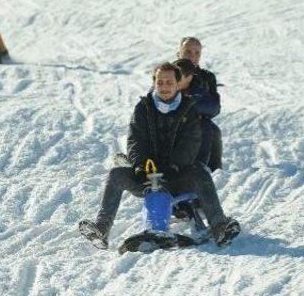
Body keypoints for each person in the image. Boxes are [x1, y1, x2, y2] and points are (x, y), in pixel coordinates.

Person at [79, 62, 240, 249]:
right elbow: (135, 139)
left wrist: (174, 165)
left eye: (169, 82)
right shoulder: (144, 108)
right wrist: (139, 165)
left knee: (200, 173)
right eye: (160, 82)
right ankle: (102, 228)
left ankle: (219, 226)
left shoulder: (189, 110)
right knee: (117, 174)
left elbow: (190, 143)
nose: (164, 87)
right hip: (146, 174)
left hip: (176, 175)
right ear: (154, 83)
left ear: (177, 83)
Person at [177, 37, 223, 171]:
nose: (192, 56)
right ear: (179, 53)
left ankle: (207, 169)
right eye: (188, 51)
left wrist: (188, 105)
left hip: (197, 121)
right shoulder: (167, 73)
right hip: (169, 119)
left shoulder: (206, 77)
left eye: (197, 53)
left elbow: (214, 107)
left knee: (210, 128)